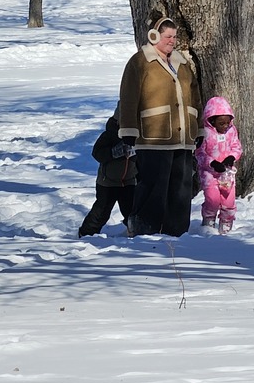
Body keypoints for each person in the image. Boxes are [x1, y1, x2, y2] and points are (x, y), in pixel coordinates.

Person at [117, 14, 203, 237]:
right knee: (153, 186)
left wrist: (199, 128)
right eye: (167, 36)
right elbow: (128, 97)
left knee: (181, 189)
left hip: (183, 137)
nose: (172, 41)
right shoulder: (140, 62)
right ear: (154, 36)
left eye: (174, 36)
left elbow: (196, 97)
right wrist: (128, 129)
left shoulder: (182, 64)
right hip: (153, 136)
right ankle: (145, 228)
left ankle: (177, 230)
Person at [78, 109, 138, 237]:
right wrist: (114, 152)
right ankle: (86, 233)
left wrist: (135, 154)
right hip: (107, 182)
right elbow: (97, 153)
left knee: (131, 210)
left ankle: (136, 232)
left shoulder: (137, 136)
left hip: (129, 181)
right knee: (101, 211)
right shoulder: (109, 134)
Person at [195, 96, 243, 234]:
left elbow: (236, 147)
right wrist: (212, 163)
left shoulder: (231, 131)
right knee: (213, 200)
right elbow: (200, 153)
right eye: (221, 123)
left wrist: (231, 157)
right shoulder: (205, 133)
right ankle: (209, 223)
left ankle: (226, 224)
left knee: (229, 202)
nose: (225, 126)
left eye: (227, 123)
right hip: (209, 174)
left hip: (227, 173)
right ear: (212, 120)